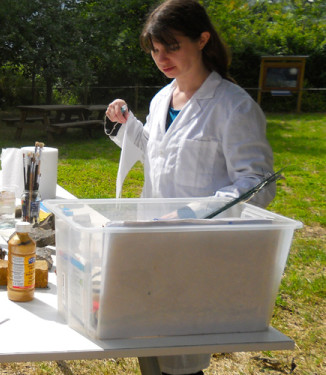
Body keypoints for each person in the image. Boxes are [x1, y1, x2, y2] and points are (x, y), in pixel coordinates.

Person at [104, 0, 275, 374]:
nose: (162, 57)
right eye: (155, 49)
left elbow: (257, 184)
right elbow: (156, 151)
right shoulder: (162, 97)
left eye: (172, 46)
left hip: (198, 243)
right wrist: (126, 124)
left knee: (181, 356)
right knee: (146, 341)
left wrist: (191, 215)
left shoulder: (234, 107)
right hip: (151, 236)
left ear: (202, 39)